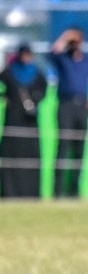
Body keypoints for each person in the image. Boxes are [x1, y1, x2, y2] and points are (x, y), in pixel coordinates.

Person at [48, 26, 88, 199]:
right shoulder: (62, 59)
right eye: (71, 41)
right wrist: (65, 36)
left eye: (76, 40)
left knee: (79, 149)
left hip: (82, 106)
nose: (74, 43)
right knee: (63, 147)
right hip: (65, 105)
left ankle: (74, 191)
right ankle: (57, 192)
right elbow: (51, 53)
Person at [1, 44, 48, 199]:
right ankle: (10, 192)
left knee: (31, 157)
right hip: (13, 121)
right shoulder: (9, 72)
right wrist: (5, 96)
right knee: (11, 155)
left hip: (31, 123)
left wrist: (35, 99)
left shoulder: (37, 74)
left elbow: (44, 91)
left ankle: (31, 193)